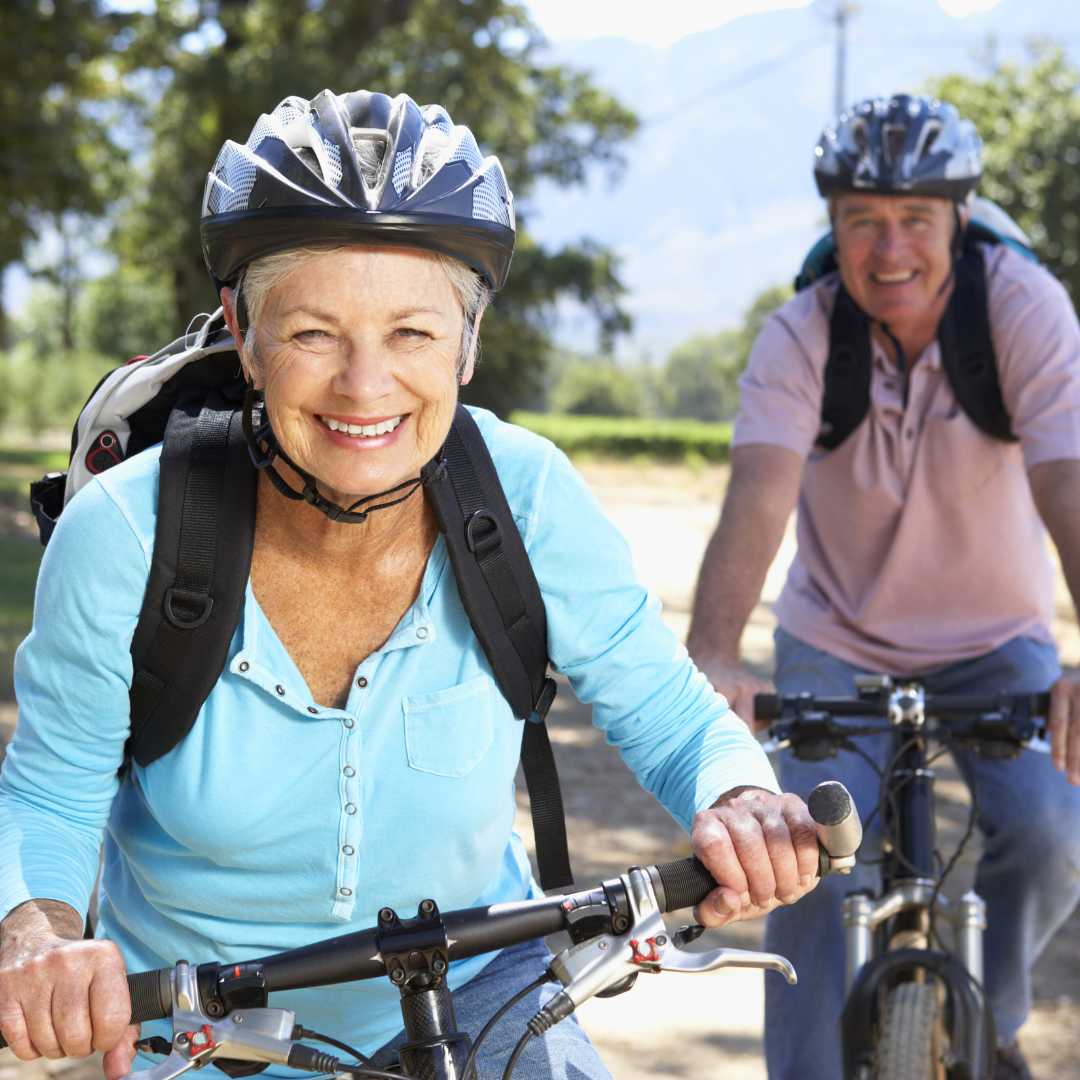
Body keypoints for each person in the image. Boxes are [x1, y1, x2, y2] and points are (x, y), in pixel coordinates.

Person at [0, 89, 819, 1080]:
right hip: (198, 1024)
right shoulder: (128, 533)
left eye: (412, 335)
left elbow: (674, 714)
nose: (364, 387)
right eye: (312, 335)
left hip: (483, 986)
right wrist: (37, 939)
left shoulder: (525, 495)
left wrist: (740, 798)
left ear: (468, 343)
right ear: (243, 333)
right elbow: (50, 788)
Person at [687, 93, 1080, 1080]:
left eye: (915, 218)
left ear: (959, 216)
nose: (889, 246)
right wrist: (715, 654)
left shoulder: (1023, 311)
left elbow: (1068, 481)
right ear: (833, 226)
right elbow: (757, 497)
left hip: (999, 637)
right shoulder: (803, 333)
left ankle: (989, 1011)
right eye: (863, 219)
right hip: (838, 641)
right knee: (804, 857)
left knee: (1047, 832)